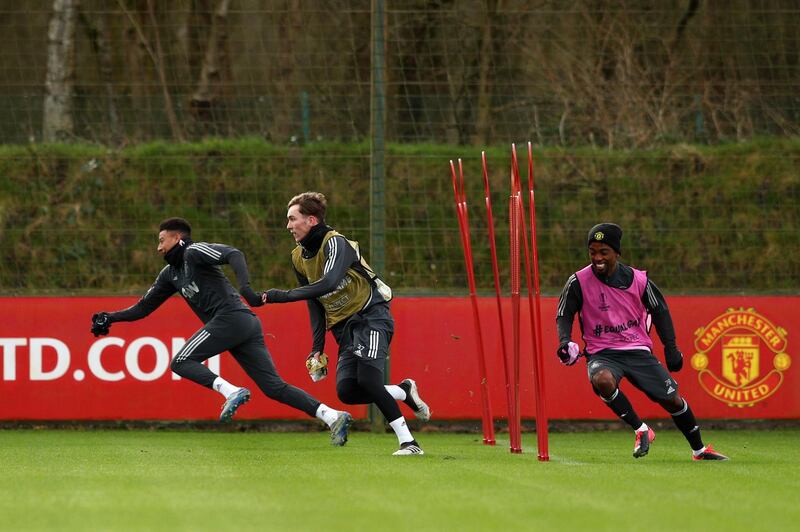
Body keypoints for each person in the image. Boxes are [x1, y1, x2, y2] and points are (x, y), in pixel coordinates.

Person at [90, 217, 352, 446]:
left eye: (162, 240)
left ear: (178, 237)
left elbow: (233, 253)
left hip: (232, 318)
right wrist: (110, 318)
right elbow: (143, 308)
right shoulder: (170, 274)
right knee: (274, 388)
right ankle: (332, 416)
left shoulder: (193, 252)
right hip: (241, 324)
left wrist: (246, 288)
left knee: (181, 361)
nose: (158, 248)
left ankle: (231, 391)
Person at [259, 192, 430, 456]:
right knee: (347, 391)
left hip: (371, 315)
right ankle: (403, 391)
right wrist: (317, 347)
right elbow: (315, 301)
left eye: (293, 219)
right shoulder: (297, 257)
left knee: (370, 381)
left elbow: (328, 283)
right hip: (343, 327)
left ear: (312, 220)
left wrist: (282, 296)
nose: (288, 226)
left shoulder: (336, 242)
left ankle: (409, 443)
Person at [556, 222, 728, 461]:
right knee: (602, 380)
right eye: (592, 252)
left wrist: (671, 348)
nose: (597, 257)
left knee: (672, 400)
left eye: (603, 251)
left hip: (637, 350)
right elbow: (564, 314)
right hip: (602, 352)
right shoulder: (577, 281)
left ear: (617, 252)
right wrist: (565, 341)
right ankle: (641, 429)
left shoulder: (639, 280)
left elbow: (661, 312)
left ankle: (699, 450)